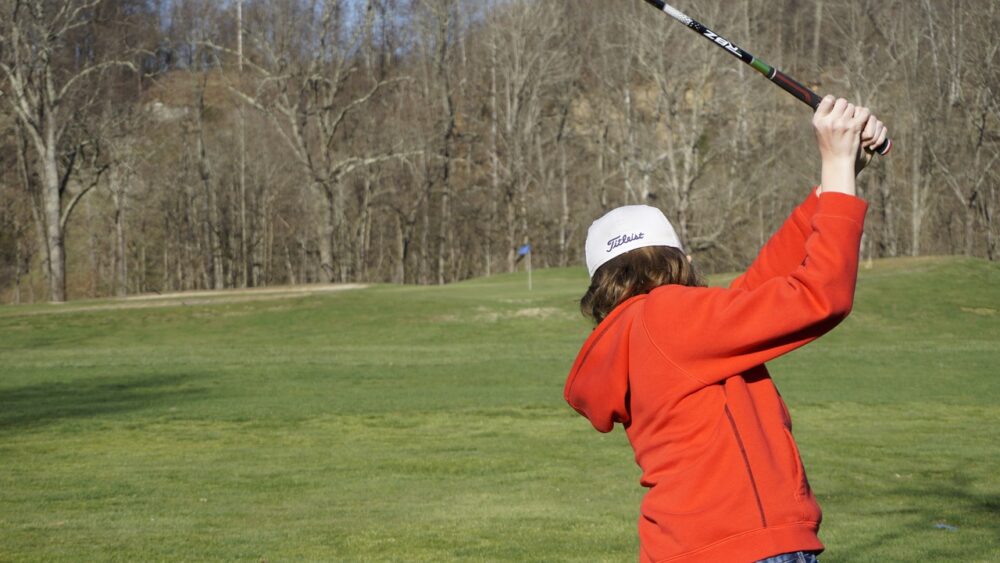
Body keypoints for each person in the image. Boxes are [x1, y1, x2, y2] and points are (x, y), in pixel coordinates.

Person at [564, 96, 888, 563]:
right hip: (745, 550)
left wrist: (838, 178)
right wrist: (835, 161)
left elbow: (764, 286)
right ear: (680, 260)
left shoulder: (649, 334)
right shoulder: (666, 317)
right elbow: (820, 295)